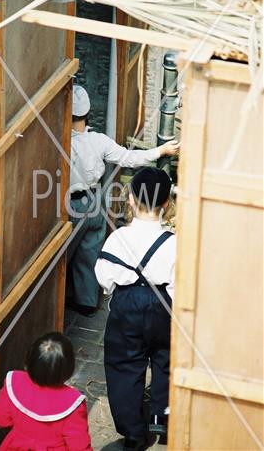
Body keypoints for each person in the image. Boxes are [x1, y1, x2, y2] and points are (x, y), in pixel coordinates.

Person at [67, 85, 179, 317]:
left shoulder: (65, 142)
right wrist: (161, 151)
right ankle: (86, 302)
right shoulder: (99, 141)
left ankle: (58, 298)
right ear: (87, 113)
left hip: (72, 204)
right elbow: (130, 158)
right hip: (96, 201)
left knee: (63, 254)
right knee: (89, 251)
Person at [95, 167, 176, 450]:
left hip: (127, 306)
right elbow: (180, 283)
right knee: (166, 360)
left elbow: (103, 275)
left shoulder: (117, 239)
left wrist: (117, 295)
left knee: (123, 365)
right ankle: (160, 416)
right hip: (163, 304)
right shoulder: (175, 243)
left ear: (130, 199)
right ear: (166, 203)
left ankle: (132, 432)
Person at [0, 332, 92, 450]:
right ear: (68, 369)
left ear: (29, 361)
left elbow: (1, 419)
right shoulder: (72, 402)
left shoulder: (14, 382)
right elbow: (79, 445)